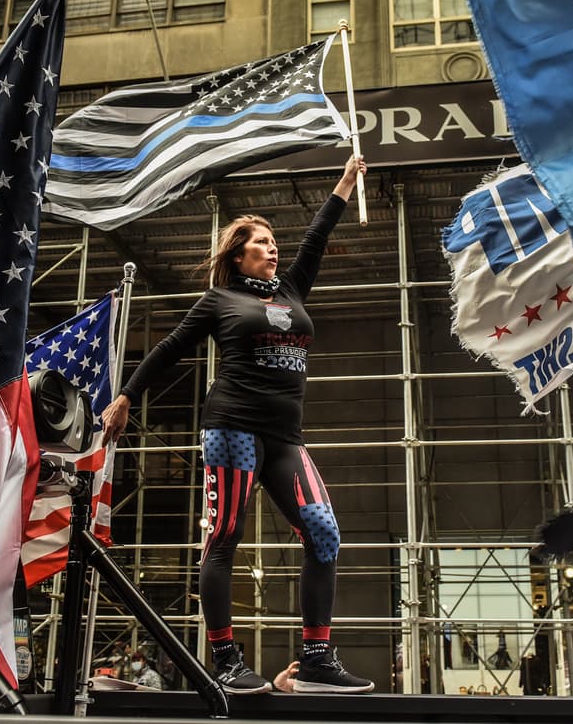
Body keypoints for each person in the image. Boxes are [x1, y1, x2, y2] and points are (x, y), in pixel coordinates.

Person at [102, 156, 373, 696]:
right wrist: (126, 396)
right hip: (232, 428)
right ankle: (225, 659)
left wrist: (344, 181)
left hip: (285, 438)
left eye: (274, 242)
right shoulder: (218, 300)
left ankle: (317, 659)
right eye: (261, 242)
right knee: (224, 536)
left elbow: (317, 236)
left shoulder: (292, 290)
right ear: (238, 255)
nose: (272, 248)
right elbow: (169, 349)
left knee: (324, 534)